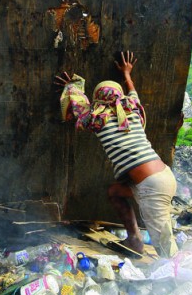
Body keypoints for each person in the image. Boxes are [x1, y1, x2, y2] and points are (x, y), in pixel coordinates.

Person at [55, 51, 178, 257]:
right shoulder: (133, 109)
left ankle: (178, 275)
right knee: (115, 192)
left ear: (97, 100)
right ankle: (135, 240)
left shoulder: (97, 119)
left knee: (165, 246)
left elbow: (77, 105)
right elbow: (132, 91)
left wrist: (71, 87)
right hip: (162, 176)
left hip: (152, 186)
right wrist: (127, 74)